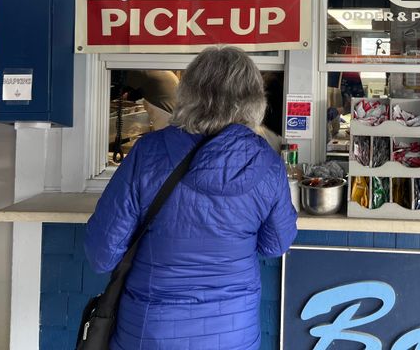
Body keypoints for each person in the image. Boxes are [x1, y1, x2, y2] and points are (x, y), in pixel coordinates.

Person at [86, 46, 298, 349]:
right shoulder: (267, 162)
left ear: (187, 93)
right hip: (232, 334)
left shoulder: (148, 153)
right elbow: (276, 245)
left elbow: (102, 254)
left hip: (151, 333)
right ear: (254, 100)